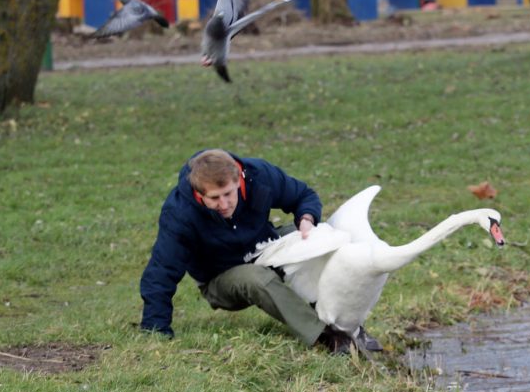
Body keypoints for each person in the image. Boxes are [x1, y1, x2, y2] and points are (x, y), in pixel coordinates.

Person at [139, 149, 376, 353]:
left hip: (264, 247)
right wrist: (155, 328)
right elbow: (162, 270)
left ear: (239, 179)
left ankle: (343, 323)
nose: (223, 205)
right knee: (259, 280)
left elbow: (303, 194)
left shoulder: (258, 175)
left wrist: (306, 218)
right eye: (214, 198)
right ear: (198, 193)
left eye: (228, 194)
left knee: (322, 239)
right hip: (220, 277)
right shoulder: (180, 213)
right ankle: (326, 336)